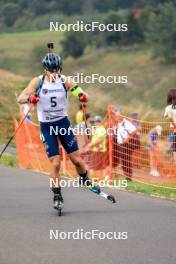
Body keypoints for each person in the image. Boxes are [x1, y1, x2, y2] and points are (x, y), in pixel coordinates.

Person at [17, 52, 102, 210]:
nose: (55, 74)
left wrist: (83, 96)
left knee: (76, 160)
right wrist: (30, 99)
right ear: (45, 70)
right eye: (51, 71)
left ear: (60, 69)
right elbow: (20, 97)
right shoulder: (38, 82)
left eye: (57, 70)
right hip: (47, 127)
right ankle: (57, 195)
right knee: (55, 163)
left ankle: (85, 178)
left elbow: (82, 93)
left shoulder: (66, 81)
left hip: (63, 125)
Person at [113, 108, 138, 181]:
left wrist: (128, 139)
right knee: (123, 161)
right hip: (119, 145)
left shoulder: (126, 123)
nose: (116, 117)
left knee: (127, 160)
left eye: (117, 115)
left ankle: (129, 177)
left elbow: (134, 131)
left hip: (126, 145)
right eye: (115, 116)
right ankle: (126, 176)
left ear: (121, 115)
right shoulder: (117, 124)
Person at [164, 89, 176, 166]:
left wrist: (174, 125)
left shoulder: (169, 107)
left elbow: (170, 117)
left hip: (175, 131)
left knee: (174, 150)